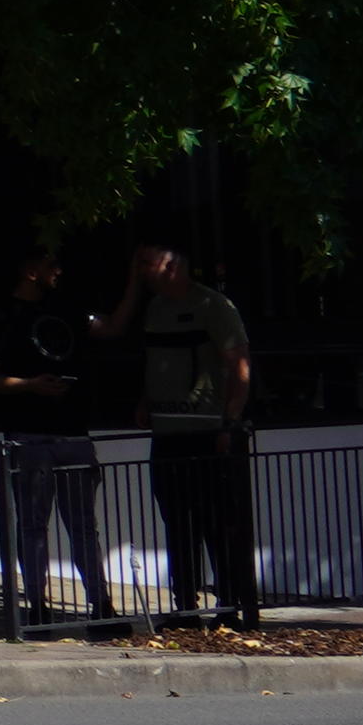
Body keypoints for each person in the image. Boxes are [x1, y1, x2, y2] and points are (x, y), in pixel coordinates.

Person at [107, 238, 257, 627]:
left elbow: (238, 363)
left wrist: (229, 420)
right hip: (167, 433)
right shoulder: (156, 309)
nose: (139, 270)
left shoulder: (213, 306)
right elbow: (159, 363)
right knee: (177, 521)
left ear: (171, 267)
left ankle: (229, 605)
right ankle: (185, 606)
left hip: (206, 433)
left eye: (146, 262)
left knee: (215, 522)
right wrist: (146, 400)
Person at [0, 248, 111, 621]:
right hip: (30, 436)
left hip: (72, 434)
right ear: (31, 271)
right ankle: (37, 605)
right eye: (51, 265)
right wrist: (30, 385)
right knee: (35, 524)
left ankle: (99, 602)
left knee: (81, 525)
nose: (59, 271)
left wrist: (132, 281)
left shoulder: (65, 309)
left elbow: (110, 329)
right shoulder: (5, 316)